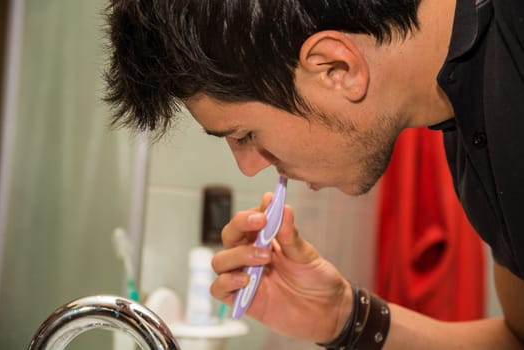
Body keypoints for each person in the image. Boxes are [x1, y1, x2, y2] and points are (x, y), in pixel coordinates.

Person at [104, 0, 524, 348]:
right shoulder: (467, 120)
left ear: (335, 68)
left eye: (245, 134)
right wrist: (344, 316)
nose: (250, 167)